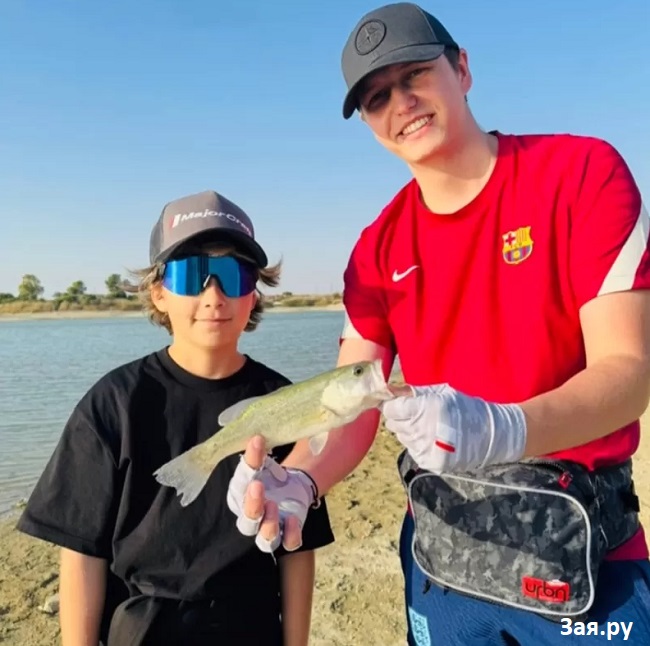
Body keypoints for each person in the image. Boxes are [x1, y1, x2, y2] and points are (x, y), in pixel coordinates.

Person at [225, 3, 650, 645]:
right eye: (375, 98)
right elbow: (350, 402)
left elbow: (629, 372)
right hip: (442, 561)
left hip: (584, 556)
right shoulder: (377, 249)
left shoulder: (580, 175)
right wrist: (303, 478)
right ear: (368, 124)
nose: (401, 103)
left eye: (415, 74)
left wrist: (507, 427)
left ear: (463, 68)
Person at [16, 189, 334, 646]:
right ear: (159, 293)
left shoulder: (283, 402)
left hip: (251, 628)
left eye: (233, 274)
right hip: (141, 629)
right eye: (192, 275)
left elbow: (297, 548)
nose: (214, 295)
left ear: (253, 294)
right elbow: (82, 553)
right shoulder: (113, 403)